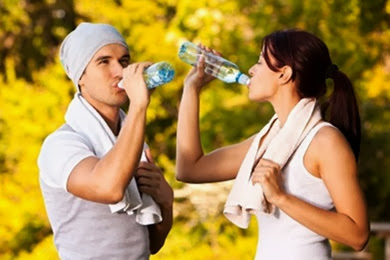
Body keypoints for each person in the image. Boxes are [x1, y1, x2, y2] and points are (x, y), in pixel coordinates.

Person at [176, 29, 369, 259]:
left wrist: (281, 197)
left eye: (259, 62)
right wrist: (191, 88)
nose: (251, 70)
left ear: (284, 74)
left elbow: (358, 235)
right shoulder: (267, 141)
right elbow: (189, 168)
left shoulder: (325, 141)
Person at [38, 22, 173, 259]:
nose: (120, 72)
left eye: (124, 61)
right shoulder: (60, 145)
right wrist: (139, 105)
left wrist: (166, 203)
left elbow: (151, 244)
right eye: (104, 61)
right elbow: (108, 188)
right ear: (80, 76)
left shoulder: (133, 142)